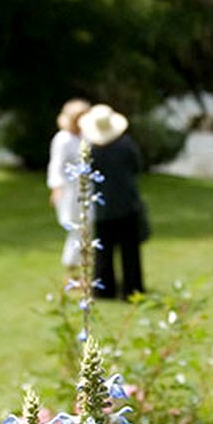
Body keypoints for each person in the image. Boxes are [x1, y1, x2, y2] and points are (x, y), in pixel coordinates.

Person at [80, 104, 147, 300]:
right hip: (127, 203)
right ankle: (132, 289)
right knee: (130, 251)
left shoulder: (91, 150)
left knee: (103, 250)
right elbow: (137, 166)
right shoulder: (126, 144)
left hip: (102, 207)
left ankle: (103, 289)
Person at [46, 98, 91, 268]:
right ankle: (73, 266)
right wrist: (56, 188)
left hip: (86, 188)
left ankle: (82, 267)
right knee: (76, 228)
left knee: (86, 227)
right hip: (70, 190)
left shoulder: (85, 136)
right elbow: (56, 165)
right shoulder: (63, 138)